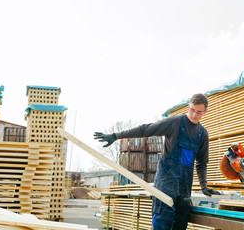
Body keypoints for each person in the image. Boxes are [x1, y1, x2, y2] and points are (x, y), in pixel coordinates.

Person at [94, 93, 220, 230]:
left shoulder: (202, 133)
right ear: (188, 107)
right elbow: (146, 129)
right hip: (166, 184)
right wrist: (116, 136)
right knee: (162, 222)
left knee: (180, 224)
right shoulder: (175, 123)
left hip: (184, 189)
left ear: (205, 111)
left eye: (199, 112)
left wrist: (204, 186)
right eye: (192, 110)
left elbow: (201, 162)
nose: (194, 115)